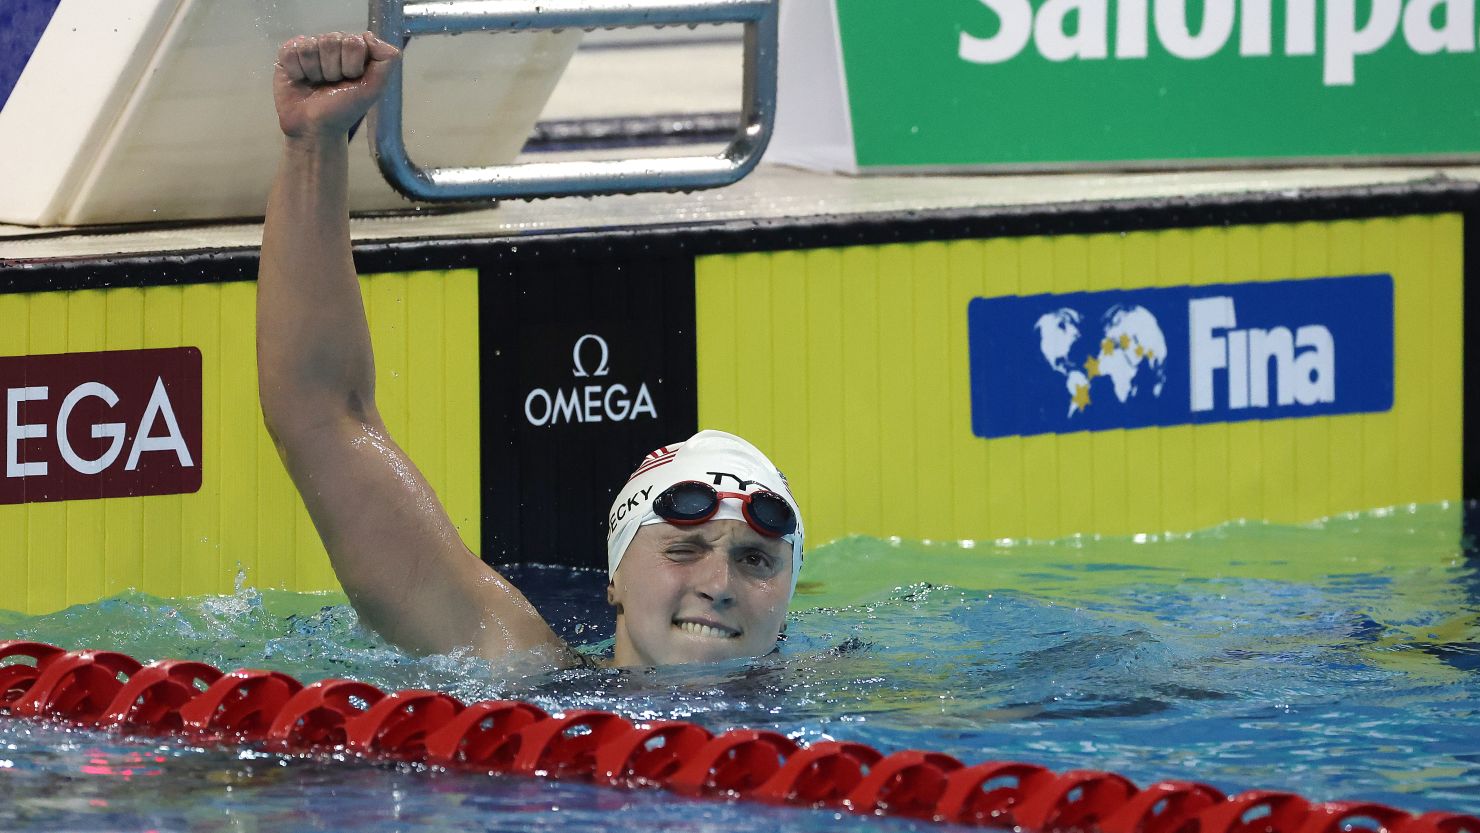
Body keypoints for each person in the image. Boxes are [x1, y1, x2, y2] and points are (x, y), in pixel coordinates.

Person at [256, 32, 804, 669]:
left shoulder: (855, 709)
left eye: (756, 561)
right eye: (682, 549)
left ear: (789, 599)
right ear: (614, 581)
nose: (719, 585)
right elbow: (322, 416)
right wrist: (313, 146)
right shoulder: (527, 678)